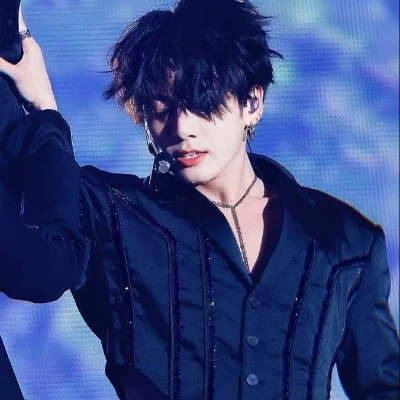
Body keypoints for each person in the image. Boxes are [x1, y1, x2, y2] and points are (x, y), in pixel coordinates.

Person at [1, 0, 399, 399]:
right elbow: (37, 265)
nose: (182, 128)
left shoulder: (344, 239)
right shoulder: (110, 213)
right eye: (161, 110)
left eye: (202, 104)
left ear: (252, 103)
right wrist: (43, 109)